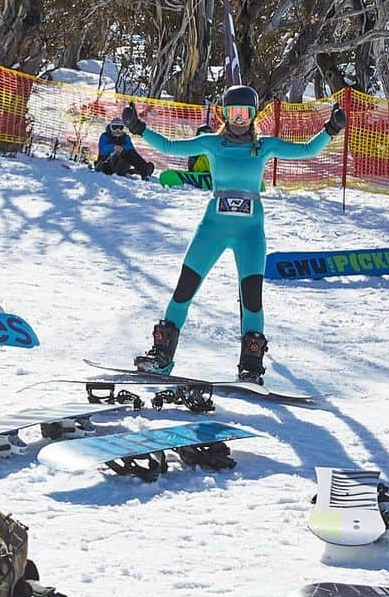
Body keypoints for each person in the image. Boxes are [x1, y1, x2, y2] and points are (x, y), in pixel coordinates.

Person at [122, 85, 346, 383]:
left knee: (252, 298)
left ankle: (251, 364)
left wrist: (331, 129)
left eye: (245, 114)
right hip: (213, 227)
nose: (239, 119)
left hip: (250, 232)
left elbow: (306, 150)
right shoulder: (213, 144)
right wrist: (138, 128)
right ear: (224, 114)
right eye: (233, 113)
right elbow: (171, 147)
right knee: (184, 288)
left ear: (253, 116)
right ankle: (162, 357)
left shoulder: (263, 146)